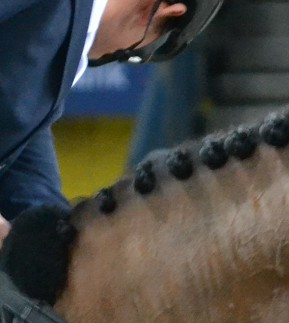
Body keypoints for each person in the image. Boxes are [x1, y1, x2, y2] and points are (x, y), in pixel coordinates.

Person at [0, 0, 224, 241]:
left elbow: (29, 183)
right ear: (160, 10)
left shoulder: (66, 53)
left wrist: (63, 248)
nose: (127, 53)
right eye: (142, 49)